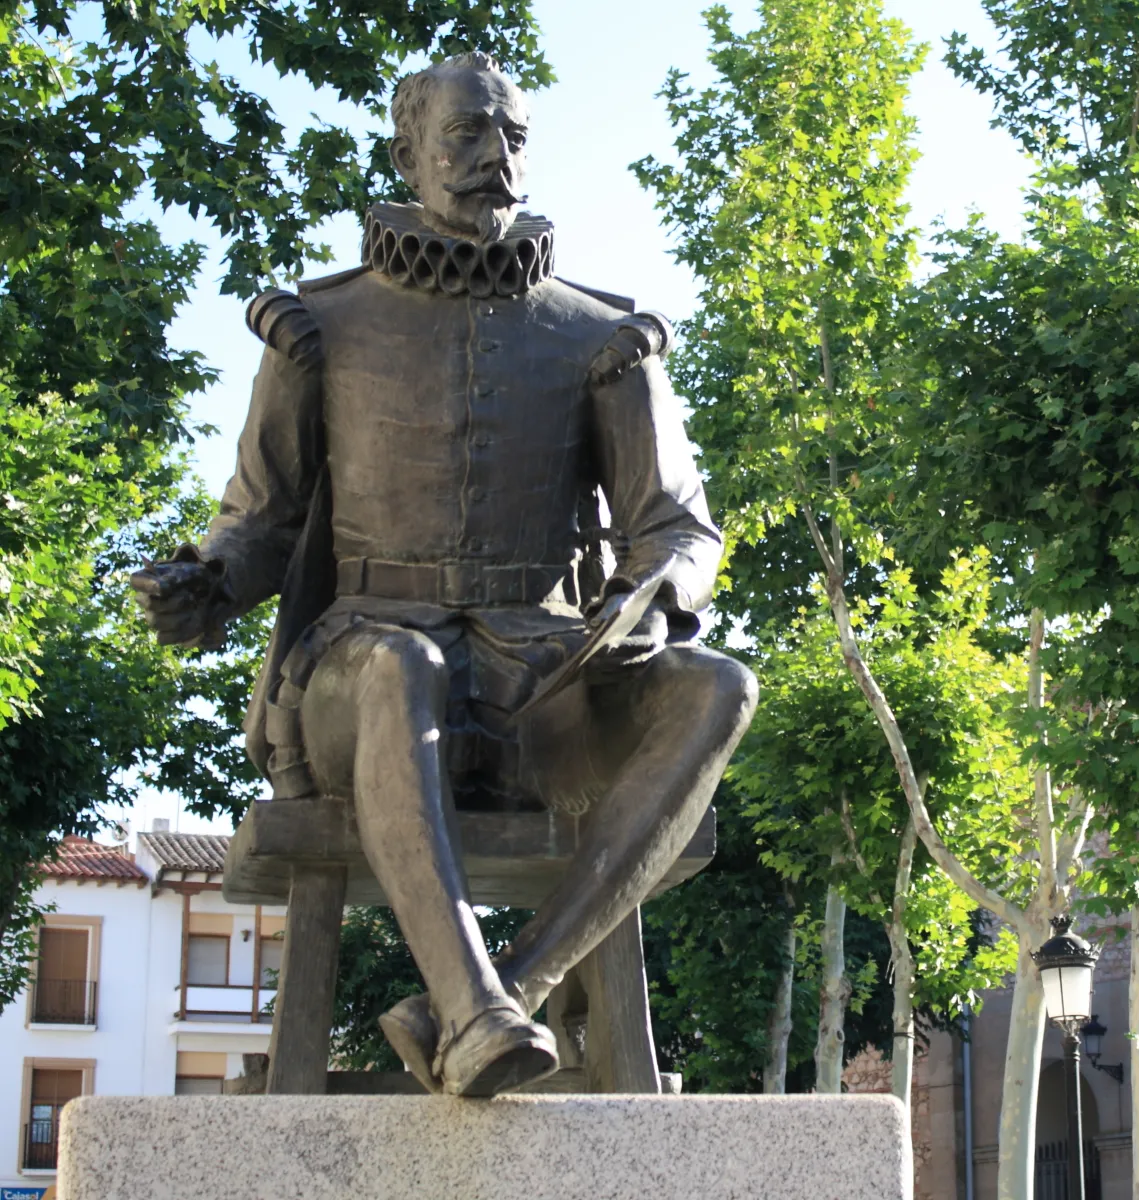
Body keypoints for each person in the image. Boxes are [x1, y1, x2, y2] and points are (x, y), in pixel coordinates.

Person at [131, 53, 756, 1097]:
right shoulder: (318, 328)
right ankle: (473, 1012)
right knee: (397, 665)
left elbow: (678, 530)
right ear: (407, 153)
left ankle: (498, 991)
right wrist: (203, 583)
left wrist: (657, 599)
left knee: (720, 686)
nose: (492, 159)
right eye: (466, 135)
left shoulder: (606, 339)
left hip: (539, 685)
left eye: (511, 137)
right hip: (359, 684)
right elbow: (263, 523)